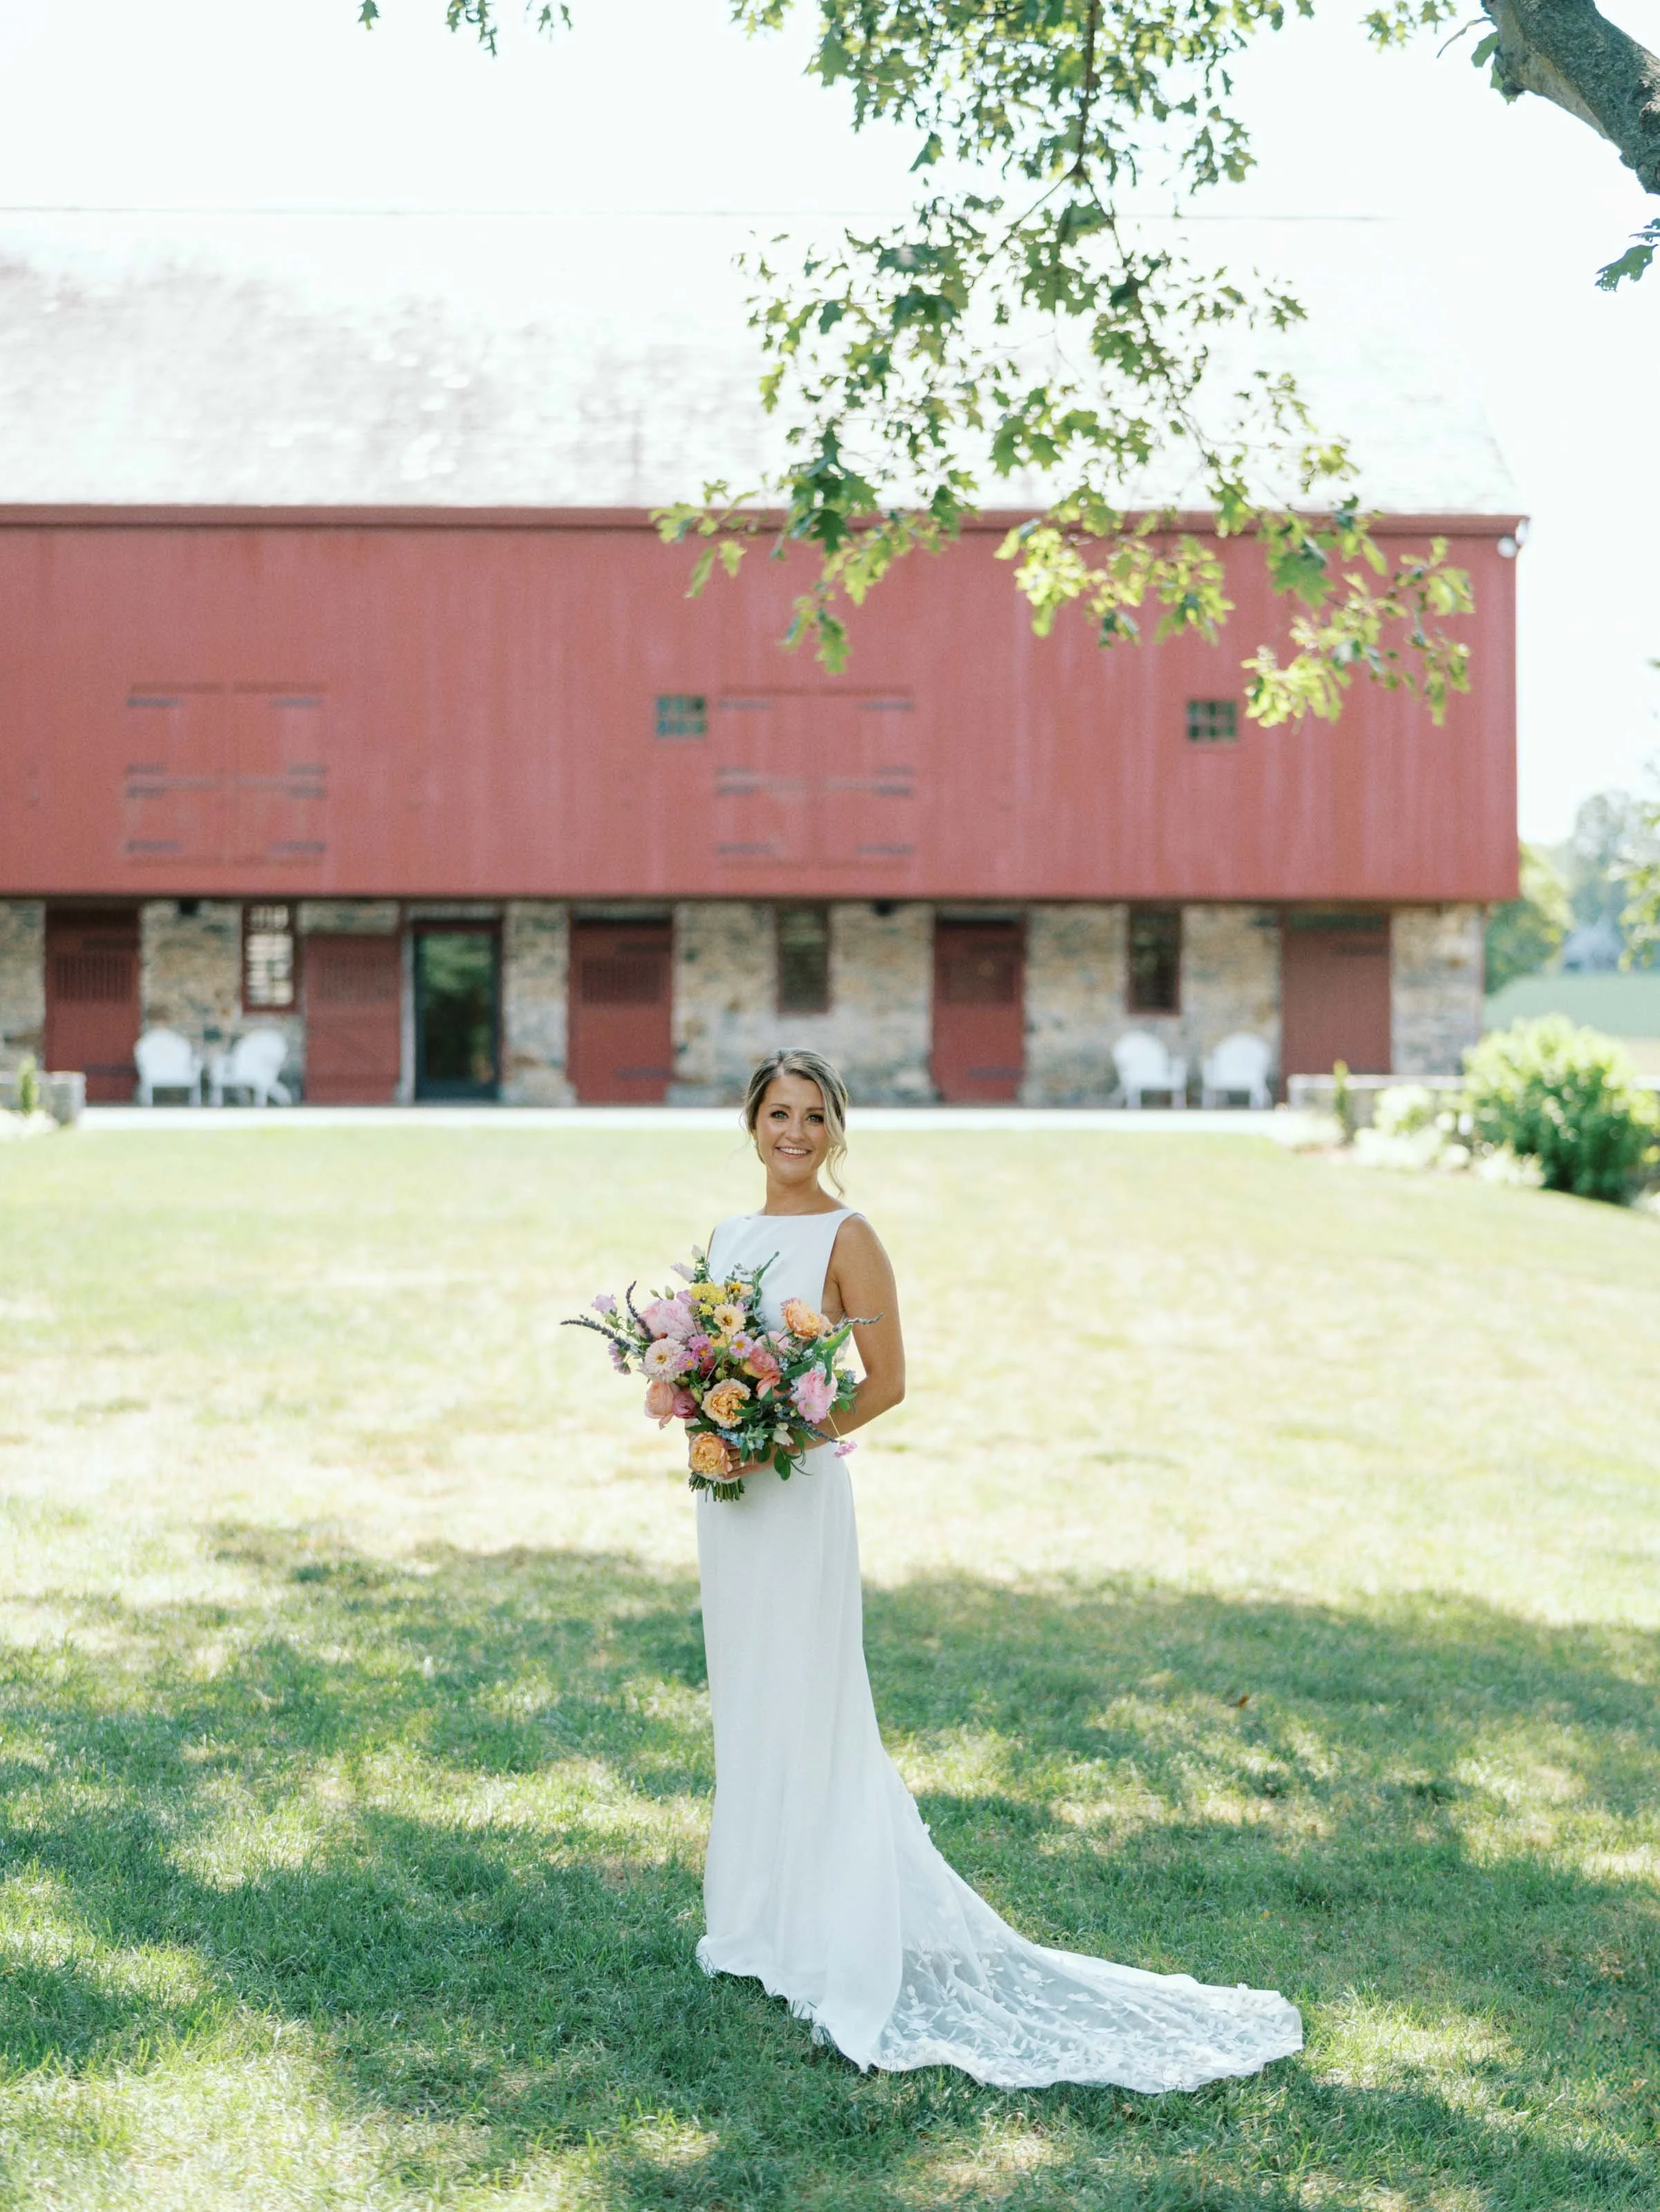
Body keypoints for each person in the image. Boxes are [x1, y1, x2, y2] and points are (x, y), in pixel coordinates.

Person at [691, 1046, 1303, 2090]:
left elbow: (885, 1384)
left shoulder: (851, 1236)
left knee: (811, 1693)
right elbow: (714, 1355)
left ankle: (828, 1920)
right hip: (727, 1499)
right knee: (747, 1691)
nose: (793, 1133)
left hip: (795, 1492)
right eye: (776, 1114)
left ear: (838, 1129)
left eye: (812, 1116)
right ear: (750, 1123)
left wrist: (779, 1439)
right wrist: (703, 1411)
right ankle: (757, 1915)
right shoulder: (726, 1236)